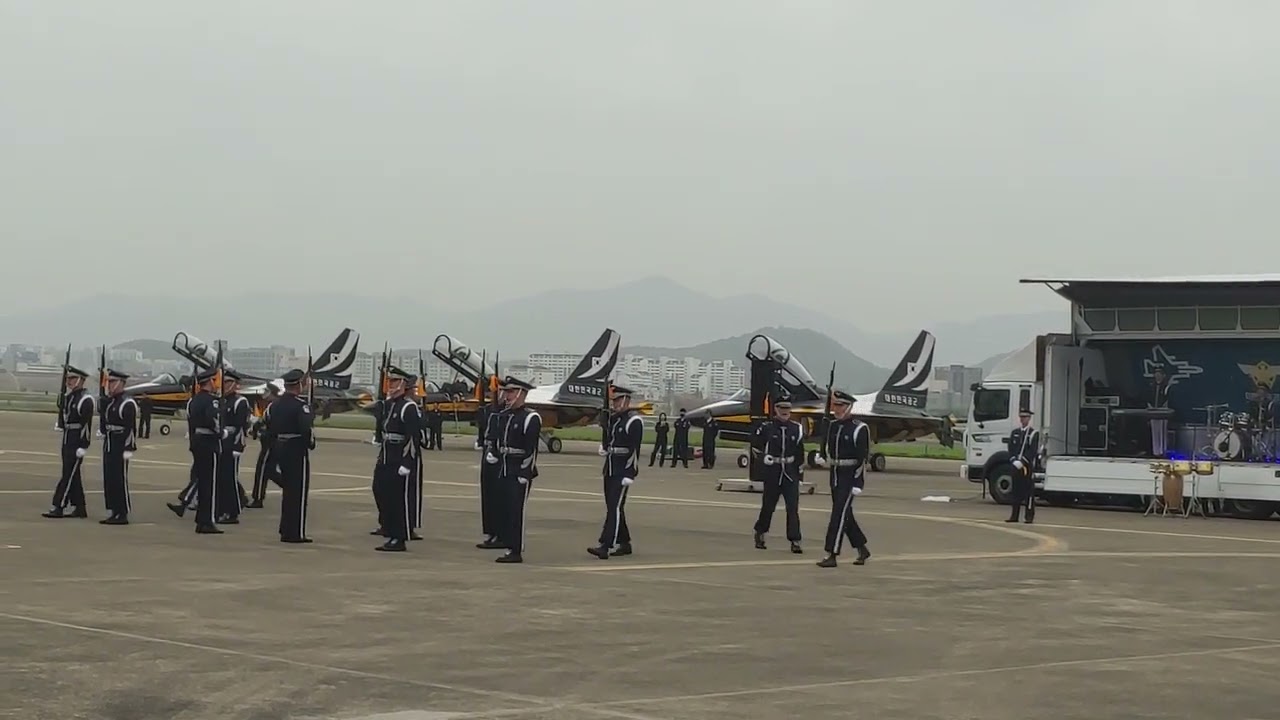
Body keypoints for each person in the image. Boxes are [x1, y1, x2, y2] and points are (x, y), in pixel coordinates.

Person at [815, 390, 871, 568]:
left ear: (849, 407)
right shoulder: (832, 426)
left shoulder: (859, 428)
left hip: (849, 475)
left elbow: (863, 458)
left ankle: (831, 553)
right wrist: (822, 455)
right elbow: (827, 446)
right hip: (836, 473)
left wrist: (858, 482)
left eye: (841, 406)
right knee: (845, 514)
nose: (837, 409)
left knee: (838, 515)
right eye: (836, 405)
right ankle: (862, 549)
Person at [589, 384, 644, 559]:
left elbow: (635, 450)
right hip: (610, 468)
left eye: (618, 400)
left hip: (622, 471)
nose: (615, 404)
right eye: (614, 400)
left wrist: (630, 473)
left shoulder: (633, 421)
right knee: (614, 507)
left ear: (627, 400)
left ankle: (605, 544)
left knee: (614, 508)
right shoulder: (615, 419)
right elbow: (609, 442)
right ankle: (624, 542)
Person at [493, 376, 541, 564]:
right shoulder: (506, 415)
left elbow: (531, 449)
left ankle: (515, 549)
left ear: (521, 393)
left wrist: (525, 472)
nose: (507, 396)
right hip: (505, 466)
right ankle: (507, 543)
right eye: (507, 392)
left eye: (511, 392)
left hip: (519, 469)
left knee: (516, 510)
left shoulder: (530, 418)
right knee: (505, 509)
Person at [371, 366, 421, 551]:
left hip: (399, 456)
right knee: (380, 491)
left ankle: (398, 537)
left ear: (403, 384)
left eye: (394, 381)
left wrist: (407, 462)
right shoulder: (390, 405)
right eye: (390, 381)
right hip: (386, 454)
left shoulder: (408, 407)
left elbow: (413, 437)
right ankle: (389, 530)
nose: (390, 385)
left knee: (396, 499)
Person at [267, 368, 315, 543]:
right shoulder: (300, 405)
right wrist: (311, 443)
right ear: (299, 385)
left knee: (287, 492)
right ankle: (296, 532)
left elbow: (270, 428)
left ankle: (285, 529)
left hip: (280, 447)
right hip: (296, 450)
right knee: (298, 493)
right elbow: (305, 429)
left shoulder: (275, 405)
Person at [752, 396, 805, 553]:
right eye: (781, 408)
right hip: (773, 471)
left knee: (792, 508)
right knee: (768, 506)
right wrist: (763, 458)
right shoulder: (766, 427)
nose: (785, 412)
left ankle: (795, 539)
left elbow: (799, 452)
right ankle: (760, 532)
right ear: (775, 409)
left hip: (789, 472)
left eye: (787, 409)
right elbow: (755, 445)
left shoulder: (796, 428)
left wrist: (799, 475)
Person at [43, 364, 94, 519]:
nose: (69, 381)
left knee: (68, 475)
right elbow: (66, 417)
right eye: (68, 378)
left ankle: (59, 505)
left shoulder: (86, 399)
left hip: (76, 439)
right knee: (73, 475)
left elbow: (86, 425)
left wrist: (83, 445)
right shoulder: (70, 397)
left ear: (81, 380)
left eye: (72, 378)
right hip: (67, 438)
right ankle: (80, 507)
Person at [185, 368, 223, 534]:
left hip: (197, 441)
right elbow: (213, 419)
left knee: (201, 480)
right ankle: (207, 521)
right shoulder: (211, 401)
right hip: (209, 442)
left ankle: (201, 519)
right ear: (210, 382)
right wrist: (221, 432)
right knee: (209, 484)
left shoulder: (193, 401)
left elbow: (191, 423)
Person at [98, 369, 138, 525]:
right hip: (109, 442)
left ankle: (122, 512)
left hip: (120, 444)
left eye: (113, 382)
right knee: (109, 478)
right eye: (109, 382)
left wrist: (129, 448)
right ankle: (113, 510)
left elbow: (131, 429)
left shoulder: (127, 403)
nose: (110, 385)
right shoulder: (111, 402)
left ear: (121, 383)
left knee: (119, 479)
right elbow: (105, 424)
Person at [216, 369, 251, 524]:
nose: (225, 385)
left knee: (229, 479)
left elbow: (241, 427)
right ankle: (223, 508)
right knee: (222, 479)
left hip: (232, 444)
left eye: (228, 382)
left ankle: (233, 511)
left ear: (235, 384)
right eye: (224, 382)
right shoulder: (222, 401)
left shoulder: (240, 402)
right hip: (221, 443)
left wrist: (237, 447)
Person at [475, 397, 508, 549]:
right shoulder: (489, 410)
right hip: (487, 454)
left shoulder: (507, 413)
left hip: (500, 457)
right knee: (487, 495)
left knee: (499, 497)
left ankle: (501, 534)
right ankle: (491, 532)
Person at [247, 381, 282, 508]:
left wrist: (256, 429)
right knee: (270, 470)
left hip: (270, 442)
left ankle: (258, 498)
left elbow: (264, 422)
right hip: (276, 442)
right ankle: (290, 487)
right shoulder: (277, 405)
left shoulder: (273, 406)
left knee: (262, 470)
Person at [1006, 408, 1039, 524]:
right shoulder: (1015, 432)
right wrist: (1014, 460)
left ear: (1029, 419)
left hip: (1027, 468)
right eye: (1021, 417)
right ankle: (1014, 515)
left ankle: (1029, 516)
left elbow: (1032, 451)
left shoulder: (1033, 434)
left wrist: (1023, 461)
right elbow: (1011, 448)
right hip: (1016, 466)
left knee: (1028, 493)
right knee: (1015, 491)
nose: (1022, 419)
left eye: (1025, 417)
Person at [406, 373, 425, 541]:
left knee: (411, 492)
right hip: (391, 454)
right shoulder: (396, 405)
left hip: (409, 455)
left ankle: (409, 525)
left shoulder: (412, 408)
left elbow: (418, 436)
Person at [1148, 364, 1171, 457]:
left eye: (1159, 373)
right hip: (1153, 411)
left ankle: (1163, 451)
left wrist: (1163, 408)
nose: (1157, 375)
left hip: (1163, 412)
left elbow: (1168, 399)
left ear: (1163, 375)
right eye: (1156, 373)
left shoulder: (1166, 387)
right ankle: (1156, 452)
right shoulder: (1151, 386)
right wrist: (1150, 406)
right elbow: (1149, 398)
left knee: (1162, 432)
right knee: (1154, 431)